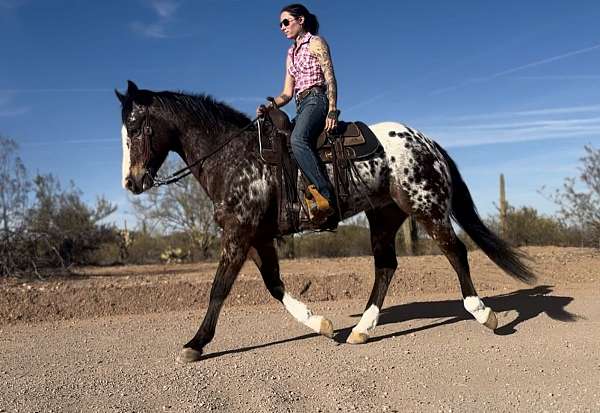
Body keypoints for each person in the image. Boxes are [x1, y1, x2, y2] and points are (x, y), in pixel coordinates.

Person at [257, 3, 340, 224]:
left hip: (317, 99)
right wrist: (270, 105)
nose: (282, 27)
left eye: (286, 22)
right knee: (285, 145)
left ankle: (327, 197)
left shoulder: (316, 42)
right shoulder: (290, 53)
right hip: (300, 103)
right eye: (280, 25)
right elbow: (286, 93)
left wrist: (332, 111)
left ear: (300, 20)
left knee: (298, 139)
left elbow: (330, 77)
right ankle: (303, 202)